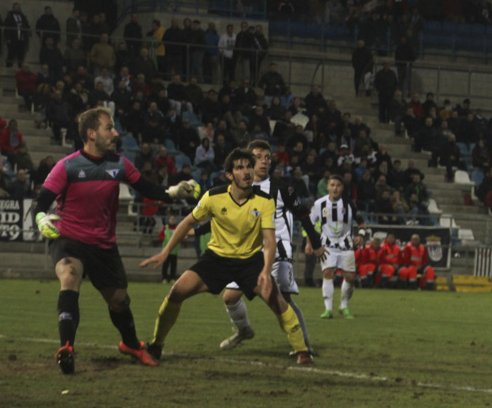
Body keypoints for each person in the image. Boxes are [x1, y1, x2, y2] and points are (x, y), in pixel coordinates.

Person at [33, 106, 197, 374]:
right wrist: (40, 218)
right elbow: (40, 203)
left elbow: (147, 189)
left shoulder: (119, 164)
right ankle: (66, 348)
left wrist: (173, 191)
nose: (115, 132)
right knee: (70, 275)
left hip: (103, 246)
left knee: (119, 301)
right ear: (91, 134)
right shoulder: (67, 166)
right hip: (70, 239)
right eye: (108, 127)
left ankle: (131, 345)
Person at [140, 149, 314, 365]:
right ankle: (156, 346)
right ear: (230, 175)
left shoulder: (264, 201)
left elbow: (269, 240)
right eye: (240, 167)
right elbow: (187, 223)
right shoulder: (213, 197)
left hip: (250, 262)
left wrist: (265, 269)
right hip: (216, 260)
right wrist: (165, 251)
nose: (247, 171)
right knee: (176, 292)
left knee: (276, 300)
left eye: (249, 166)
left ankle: (302, 351)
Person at [218, 140, 325, 355]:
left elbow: (303, 213)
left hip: (277, 251)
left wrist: (315, 242)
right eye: (258, 157)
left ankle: (304, 346)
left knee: (283, 299)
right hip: (248, 253)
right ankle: (244, 330)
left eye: (267, 157)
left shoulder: (282, 188)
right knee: (229, 297)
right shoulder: (238, 188)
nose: (264, 161)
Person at [309, 174, 359, 318]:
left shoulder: (349, 204)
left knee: (350, 277)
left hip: (346, 245)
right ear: (327, 187)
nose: (335, 188)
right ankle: (328, 309)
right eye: (332, 185)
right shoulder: (319, 204)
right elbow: (310, 224)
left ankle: (344, 306)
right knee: (327, 273)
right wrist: (310, 243)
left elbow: (360, 221)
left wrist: (360, 235)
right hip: (327, 245)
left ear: (342, 188)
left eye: (338, 185)